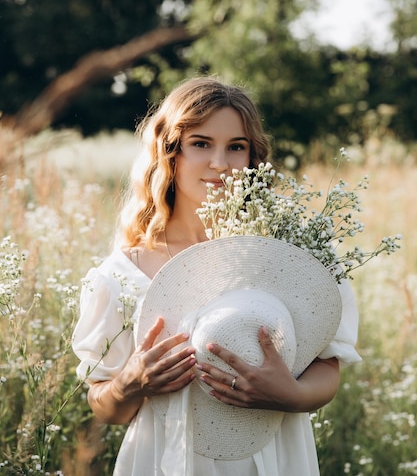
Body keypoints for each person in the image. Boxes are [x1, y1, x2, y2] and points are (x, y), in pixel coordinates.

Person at [72, 76, 361, 476]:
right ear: (168, 153)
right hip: (167, 460)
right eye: (201, 143)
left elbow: (328, 368)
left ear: (252, 158)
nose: (220, 164)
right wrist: (130, 382)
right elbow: (105, 404)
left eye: (236, 147)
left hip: (277, 456)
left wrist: (290, 395)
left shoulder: (287, 254)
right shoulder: (120, 276)